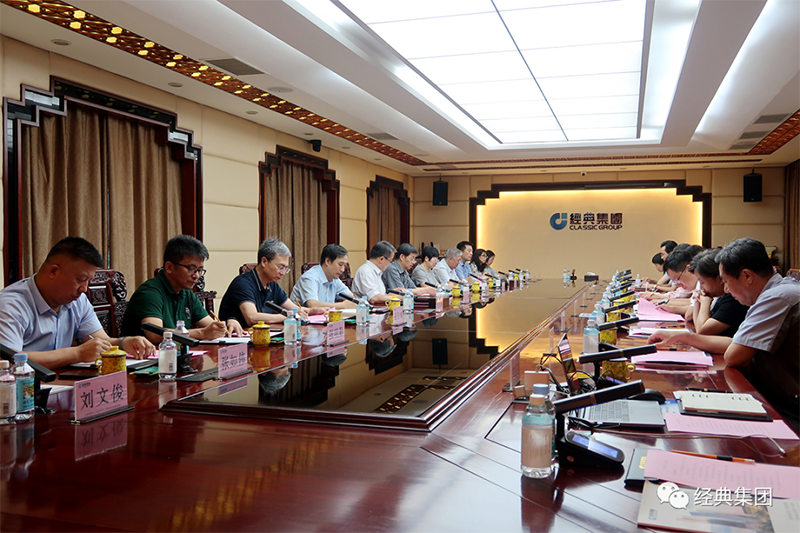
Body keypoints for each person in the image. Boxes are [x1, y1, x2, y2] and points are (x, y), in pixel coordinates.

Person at [648, 238, 800, 424]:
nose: (726, 289)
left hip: (788, 408)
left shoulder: (777, 297)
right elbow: (736, 343)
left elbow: (733, 356)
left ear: (747, 276)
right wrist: (681, 336)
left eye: (727, 281)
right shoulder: (777, 290)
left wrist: (687, 336)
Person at [0, 237, 155, 369]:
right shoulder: (11, 305)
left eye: (89, 281)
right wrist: (77, 353)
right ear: (53, 271)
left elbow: (101, 341)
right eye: (81, 280)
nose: (84, 289)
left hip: (62, 385)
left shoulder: (77, 300)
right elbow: (8, 360)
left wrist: (124, 342)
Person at [122, 235, 243, 343]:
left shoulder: (186, 292)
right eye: (191, 269)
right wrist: (202, 333)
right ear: (169, 267)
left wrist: (227, 324)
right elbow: (155, 335)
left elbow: (210, 325)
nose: (196, 276)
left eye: (200, 270)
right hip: (144, 358)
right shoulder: (150, 292)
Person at [219, 238, 323, 327]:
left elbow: (295, 309)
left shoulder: (272, 284)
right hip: (239, 339)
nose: (283, 273)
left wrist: (314, 311)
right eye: (280, 267)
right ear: (264, 261)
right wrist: (287, 316)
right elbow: (252, 318)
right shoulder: (243, 284)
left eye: (285, 268)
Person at [684, 248, 748, 337]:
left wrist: (705, 302)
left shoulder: (734, 298)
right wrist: (697, 301)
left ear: (720, 279)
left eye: (702, 282)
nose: (701, 288)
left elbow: (702, 330)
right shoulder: (720, 296)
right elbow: (697, 325)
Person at [290, 244, 356, 309]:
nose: (343, 270)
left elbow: (351, 298)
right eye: (340, 265)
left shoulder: (334, 278)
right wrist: (342, 305)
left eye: (345, 266)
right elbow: (313, 305)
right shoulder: (309, 278)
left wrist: (354, 302)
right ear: (327, 261)